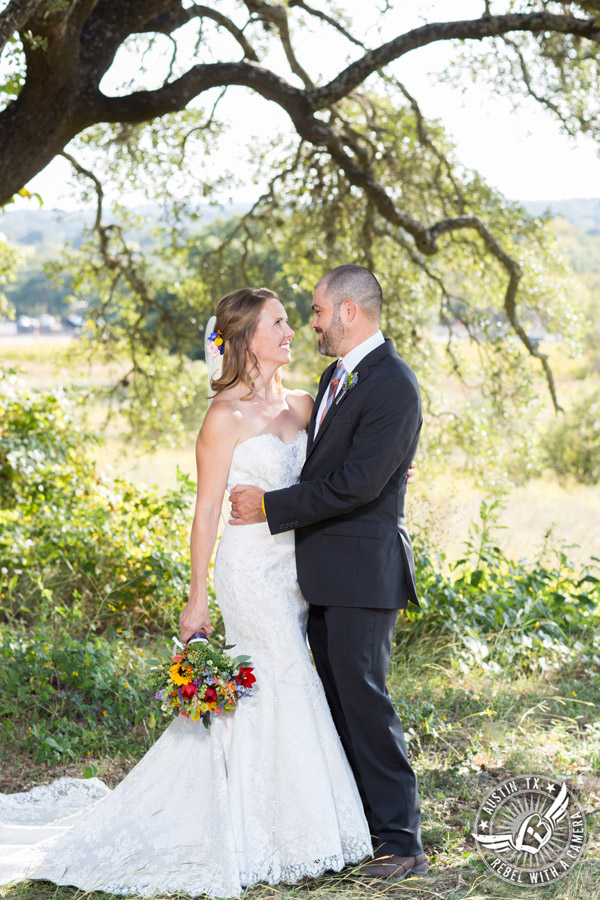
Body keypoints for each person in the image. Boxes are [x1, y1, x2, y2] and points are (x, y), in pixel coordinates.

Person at [0, 287, 373, 899]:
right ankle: (273, 830)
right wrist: (196, 598)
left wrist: (393, 466)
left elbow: (341, 473)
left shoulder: (308, 405)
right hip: (249, 571)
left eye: (290, 322)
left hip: (299, 570)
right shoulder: (223, 416)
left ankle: (289, 816)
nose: (291, 332)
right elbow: (206, 514)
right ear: (248, 338)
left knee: (287, 678)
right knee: (279, 675)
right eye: (279, 324)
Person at [230, 265, 427, 882]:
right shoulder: (334, 378)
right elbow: (331, 463)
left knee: (366, 704)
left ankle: (402, 841)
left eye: (315, 311)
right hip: (322, 574)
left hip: (365, 575)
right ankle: (365, 826)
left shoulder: (393, 384)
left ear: (347, 312)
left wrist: (271, 506)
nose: (310, 322)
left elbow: (356, 483)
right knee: (339, 701)